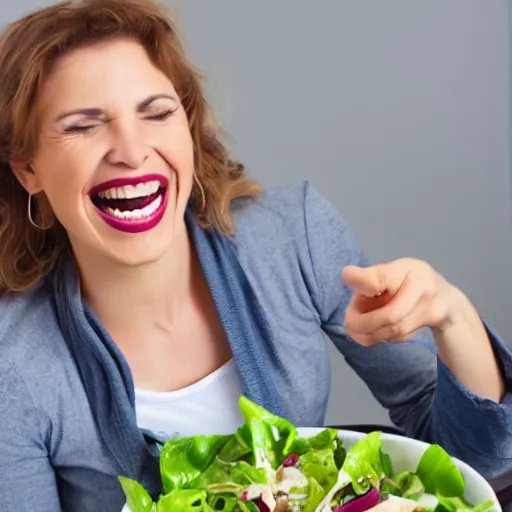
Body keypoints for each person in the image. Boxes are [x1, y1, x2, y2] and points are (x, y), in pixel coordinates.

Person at [0, 0, 510, 510]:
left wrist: (453, 317)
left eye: (156, 113)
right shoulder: (13, 370)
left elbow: (471, 459)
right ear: (28, 169)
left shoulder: (293, 239)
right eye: (83, 126)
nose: (132, 151)